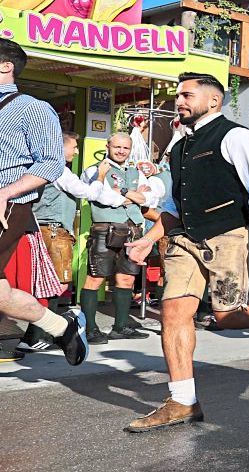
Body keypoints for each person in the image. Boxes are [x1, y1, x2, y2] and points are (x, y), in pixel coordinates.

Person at [123, 72, 249, 432]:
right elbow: (173, 204)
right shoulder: (181, 145)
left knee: (228, 316)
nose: (179, 100)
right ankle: (182, 401)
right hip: (184, 239)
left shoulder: (235, 136)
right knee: (173, 313)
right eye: (178, 94)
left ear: (213, 101)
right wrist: (147, 239)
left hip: (227, 235)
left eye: (187, 94)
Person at [0, 38, 89, 372]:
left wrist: (1, 195)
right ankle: (62, 327)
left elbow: (50, 164)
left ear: (5, 66)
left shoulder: (32, 107)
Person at [19, 131, 126, 351]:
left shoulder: (38, 166)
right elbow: (88, 192)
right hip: (55, 231)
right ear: (60, 147)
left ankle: (40, 334)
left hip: (43, 229)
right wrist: (100, 176)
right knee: (57, 284)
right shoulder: (59, 169)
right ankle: (35, 336)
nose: (77, 151)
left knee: (47, 284)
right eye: (74, 146)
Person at [79, 133, 156, 343]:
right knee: (96, 277)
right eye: (117, 147)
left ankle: (120, 326)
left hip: (132, 229)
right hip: (105, 228)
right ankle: (89, 328)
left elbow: (151, 198)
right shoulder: (95, 170)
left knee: (127, 277)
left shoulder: (135, 172)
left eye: (126, 148)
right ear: (108, 146)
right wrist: (133, 196)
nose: (121, 151)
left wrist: (124, 194)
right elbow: (103, 196)